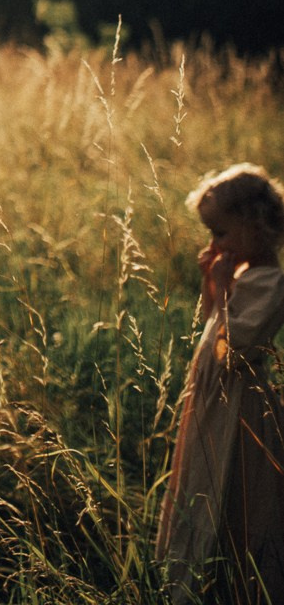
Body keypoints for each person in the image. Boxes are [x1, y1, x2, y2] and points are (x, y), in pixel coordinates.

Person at [156, 162, 284, 604]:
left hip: (240, 413)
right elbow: (213, 329)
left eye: (221, 233)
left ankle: (237, 584)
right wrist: (214, 290)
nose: (214, 244)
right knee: (203, 482)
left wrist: (225, 289)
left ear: (258, 226)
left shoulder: (272, 284)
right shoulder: (247, 274)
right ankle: (198, 574)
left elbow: (231, 352)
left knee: (238, 495)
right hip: (214, 406)